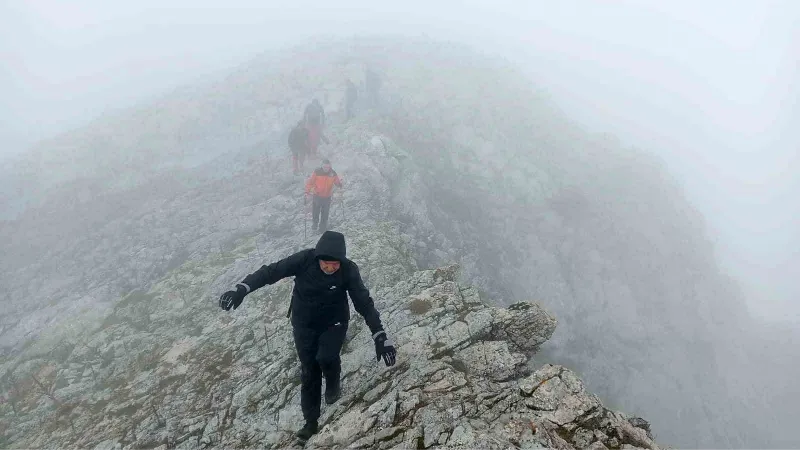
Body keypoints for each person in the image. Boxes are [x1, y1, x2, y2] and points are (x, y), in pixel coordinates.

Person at [218, 231, 397, 443]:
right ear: (318, 257)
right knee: (309, 370)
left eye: (335, 264)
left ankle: (333, 383)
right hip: (304, 325)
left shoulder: (348, 270)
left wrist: (379, 335)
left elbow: (363, 302)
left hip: (334, 322)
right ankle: (310, 422)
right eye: (325, 263)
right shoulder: (303, 260)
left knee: (327, 357)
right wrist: (242, 289)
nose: (330, 268)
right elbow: (270, 272)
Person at [305, 159, 341, 232]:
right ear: (322, 166)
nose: (326, 169)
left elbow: (337, 182)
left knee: (325, 213)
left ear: (330, 166)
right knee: (315, 211)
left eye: (327, 167)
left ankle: (322, 228)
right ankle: (315, 224)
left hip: (327, 196)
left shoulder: (333, 173)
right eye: (324, 167)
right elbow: (310, 182)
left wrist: (339, 184)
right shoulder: (317, 172)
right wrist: (307, 191)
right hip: (317, 195)